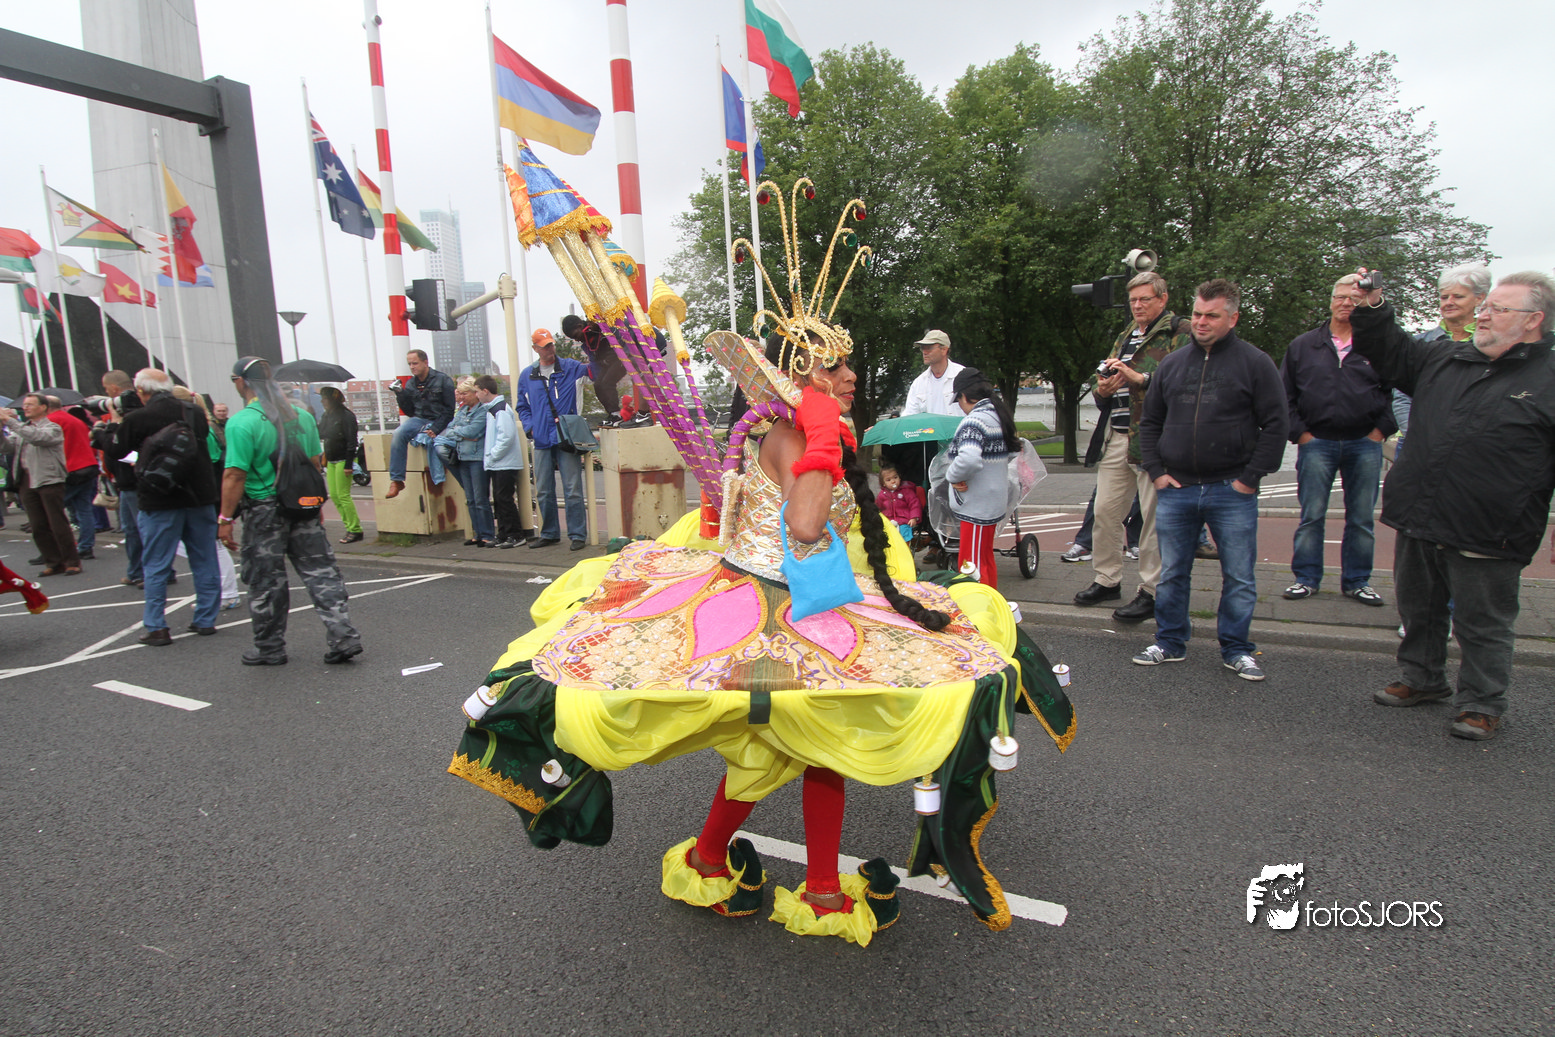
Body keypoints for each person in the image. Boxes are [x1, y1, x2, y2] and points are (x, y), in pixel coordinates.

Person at [449, 319, 1074, 945]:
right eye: (832, 366)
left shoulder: (792, 427)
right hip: (770, 609)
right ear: (796, 375)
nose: (850, 375)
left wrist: (828, 438)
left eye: (846, 362)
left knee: (788, 745)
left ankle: (719, 860)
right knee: (811, 742)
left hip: (803, 603)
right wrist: (823, 438)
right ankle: (810, 886)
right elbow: (805, 525)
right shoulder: (791, 433)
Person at [1351, 270, 1555, 741]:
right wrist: (1373, 306)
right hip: (1421, 513)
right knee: (1419, 608)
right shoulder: (1447, 357)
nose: (1483, 315)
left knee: (1482, 622)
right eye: (1485, 307)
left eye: (1498, 309)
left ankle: (1482, 703)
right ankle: (1421, 678)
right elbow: (1389, 351)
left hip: (1490, 526)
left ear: (1533, 320)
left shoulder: (1547, 378)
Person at [1136, 279, 1288, 680]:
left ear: (1233, 318)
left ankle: (1237, 649)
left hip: (1231, 489)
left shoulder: (1255, 363)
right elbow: (1150, 422)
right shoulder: (1172, 365)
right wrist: (1157, 472)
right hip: (1177, 488)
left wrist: (1250, 478)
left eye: (1211, 316)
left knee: (1238, 575)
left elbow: (1276, 423)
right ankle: (1170, 642)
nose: (1201, 322)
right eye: (1197, 314)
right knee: (1172, 572)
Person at [219, 356, 363, 667]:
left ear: (241, 382)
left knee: (266, 580)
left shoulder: (242, 422)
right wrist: (314, 505)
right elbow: (314, 463)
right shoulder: (301, 416)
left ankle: (269, 647)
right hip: (302, 505)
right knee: (322, 572)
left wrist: (225, 518)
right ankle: (343, 636)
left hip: (264, 509)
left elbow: (234, 475)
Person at [1074, 271, 1191, 621]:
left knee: (1153, 520)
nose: (1138, 306)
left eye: (1145, 299)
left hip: (1153, 440)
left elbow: (1185, 381)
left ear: (1163, 299)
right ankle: (1107, 579)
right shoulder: (1126, 335)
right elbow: (1106, 380)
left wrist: (1143, 379)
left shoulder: (1179, 333)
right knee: (1105, 512)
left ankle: (1152, 591)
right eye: (1133, 300)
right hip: (1117, 434)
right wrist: (1102, 389)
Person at [1279, 274, 1395, 607]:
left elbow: (1395, 391)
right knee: (1311, 515)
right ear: (1330, 301)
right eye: (1341, 297)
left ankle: (1357, 581)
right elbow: (1284, 394)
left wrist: (1379, 432)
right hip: (1317, 443)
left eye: (1354, 299)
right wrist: (1300, 434)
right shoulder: (1303, 345)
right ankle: (1306, 578)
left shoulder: (1377, 345)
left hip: (1364, 443)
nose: (1346, 303)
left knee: (1361, 518)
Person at [99, 369, 222, 645]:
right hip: (199, 495)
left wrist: (114, 423)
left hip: (160, 497)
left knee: (156, 563)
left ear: (141, 391)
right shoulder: (193, 412)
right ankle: (205, 619)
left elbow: (115, 451)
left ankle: (157, 626)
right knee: (205, 558)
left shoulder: (138, 418)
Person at [1393, 263, 1490, 457]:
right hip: (1418, 443)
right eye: (1444, 297)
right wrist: (1415, 433)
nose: (1449, 302)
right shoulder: (1420, 343)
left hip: (1471, 447)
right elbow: (1401, 396)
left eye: (1458, 296)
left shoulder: (1491, 345)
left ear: (1479, 298)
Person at [515, 327, 592, 551]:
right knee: (543, 489)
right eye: (544, 346)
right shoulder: (527, 375)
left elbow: (595, 372)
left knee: (572, 488)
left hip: (566, 437)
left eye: (550, 344)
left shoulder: (571, 367)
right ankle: (549, 533)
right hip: (541, 439)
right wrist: (530, 428)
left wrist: (592, 346)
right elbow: (522, 406)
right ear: (535, 348)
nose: (549, 349)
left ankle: (577, 534)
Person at [944, 368, 1020, 589]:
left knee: (972, 566)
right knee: (985, 559)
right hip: (992, 503)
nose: (960, 406)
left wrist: (952, 476)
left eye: (958, 400)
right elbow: (1011, 453)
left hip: (976, 507)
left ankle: (978, 608)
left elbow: (969, 459)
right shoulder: (998, 416)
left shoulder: (974, 421)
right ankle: (992, 603)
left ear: (964, 396)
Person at [0, 394, 81, 576]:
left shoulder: (52, 427)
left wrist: (10, 421)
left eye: (30, 404)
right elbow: (6, 447)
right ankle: (53, 561)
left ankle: (71, 561)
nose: (25, 408)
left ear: (43, 407)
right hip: (26, 480)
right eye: (25, 405)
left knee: (57, 523)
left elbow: (37, 438)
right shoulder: (22, 428)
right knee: (37, 525)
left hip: (48, 478)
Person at [888, 329, 966, 490]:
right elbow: (909, 417)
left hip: (963, 443)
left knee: (963, 491)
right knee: (937, 492)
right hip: (932, 448)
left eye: (929, 347)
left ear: (944, 349)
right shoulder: (919, 383)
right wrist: (887, 427)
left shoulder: (963, 376)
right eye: (922, 348)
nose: (924, 351)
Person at [95, 374, 145, 586]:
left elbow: (118, 447)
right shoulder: (128, 414)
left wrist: (113, 424)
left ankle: (153, 572)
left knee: (143, 530)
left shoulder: (133, 416)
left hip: (134, 481)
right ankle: (136, 571)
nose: (106, 393)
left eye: (106, 388)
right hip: (124, 481)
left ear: (114, 388)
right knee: (131, 530)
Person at [385, 349, 455, 499]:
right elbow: (410, 411)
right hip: (420, 419)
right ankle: (397, 480)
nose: (412, 367)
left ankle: (447, 476)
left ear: (425, 362)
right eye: (410, 364)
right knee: (398, 434)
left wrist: (436, 428)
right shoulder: (411, 384)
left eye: (415, 363)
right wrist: (400, 393)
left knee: (441, 445)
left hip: (440, 418)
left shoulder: (443, 380)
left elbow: (449, 410)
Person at [46, 397, 101, 560]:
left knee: (53, 510)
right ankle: (86, 546)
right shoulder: (75, 420)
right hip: (88, 466)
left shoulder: (50, 421)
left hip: (70, 468)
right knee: (84, 509)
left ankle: (58, 548)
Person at [473, 374, 525, 548]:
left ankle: (515, 534)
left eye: (477, 391)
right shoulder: (494, 409)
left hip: (504, 462)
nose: (476, 395)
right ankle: (503, 533)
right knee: (499, 499)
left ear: (485, 391)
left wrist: (492, 455)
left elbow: (506, 436)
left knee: (504, 499)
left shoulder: (499, 410)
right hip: (500, 462)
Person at [443, 377, 495, 548]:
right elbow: (449, 430)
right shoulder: (463, 410)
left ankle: (487, 534)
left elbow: (474, 431)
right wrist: (462, 433)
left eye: (465, 393)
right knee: (470, 499)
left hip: (477, 458)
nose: (461, 397)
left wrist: (458, 432)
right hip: (463, 457)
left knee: (480, 498)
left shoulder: (482, 411)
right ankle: (478, 533)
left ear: (474, 393)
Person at [317, 387, 363, 545]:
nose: (322, 402)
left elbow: (352, 442)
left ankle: (355, 529)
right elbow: (321, 433)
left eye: (325, 398)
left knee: (343, 496)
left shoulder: (346, 416)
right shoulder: (327, 415)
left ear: (333, 400)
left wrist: (349, 464)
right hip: (331, 460)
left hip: (343, 460)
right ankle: (349, 526)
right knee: (335, 496)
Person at [874, 463, 921, 542]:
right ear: (883, 483)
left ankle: (904, 546)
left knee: (904, 533)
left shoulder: (906, 491)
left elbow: (914, 505)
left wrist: (914, 517)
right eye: (888, 480)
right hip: (888, 521)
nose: (893, 481)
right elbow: (877, 508)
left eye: (895, 477)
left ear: (899, 478)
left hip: (904, 521)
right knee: (884, 535)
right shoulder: (882, 495)